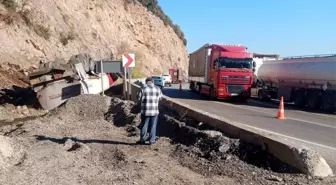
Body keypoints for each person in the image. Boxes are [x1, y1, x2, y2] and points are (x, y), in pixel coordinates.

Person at [136, 77, 163, 145]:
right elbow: (160, 98)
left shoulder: (143, 88)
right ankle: (152, 141)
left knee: (144, 125)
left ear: (146, 81)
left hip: (145, 111)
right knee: (153, 126)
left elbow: (139, 98)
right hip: (154, 111)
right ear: (152, 81)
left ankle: (142, 140)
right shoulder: (157, 88)